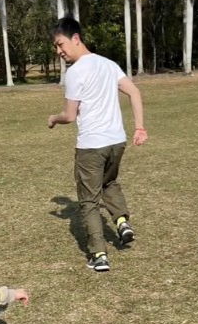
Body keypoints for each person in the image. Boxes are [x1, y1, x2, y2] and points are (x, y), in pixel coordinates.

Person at [48, 16, 148, 272]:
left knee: (89, 201)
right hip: (117, 142)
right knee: (109, 182)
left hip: (91, 146)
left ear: (76, 38)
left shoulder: (76, 72)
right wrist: (139, 127)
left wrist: (54, 119)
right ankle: (122, 221)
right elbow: (135, 92)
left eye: (61, 45)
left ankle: (99, 255)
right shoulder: (109, 64)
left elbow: (70, 116)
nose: (59, 52)